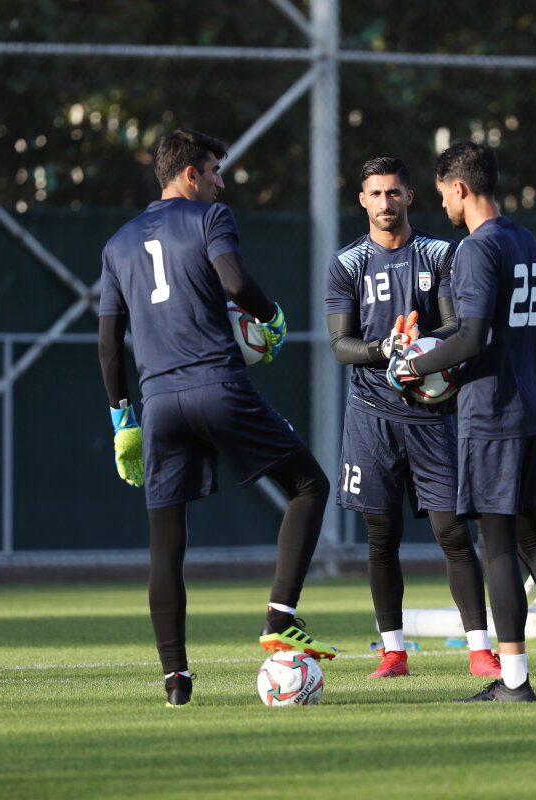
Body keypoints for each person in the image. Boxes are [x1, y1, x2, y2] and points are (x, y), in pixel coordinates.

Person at [97, 128, 337, 708]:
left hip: (158, 404)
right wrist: (271, 316)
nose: (220, 184)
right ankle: (280, 617)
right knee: (310, 484)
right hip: (218, 386)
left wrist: (121, 418)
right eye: (214, 171)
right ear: (190, 175)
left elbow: (108, 344)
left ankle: (176, 682)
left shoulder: (117, 244)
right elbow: (234, 282)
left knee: (166, 546)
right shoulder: (210, 217)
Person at [389, 141, 536, 702]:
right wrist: (432, 348)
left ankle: (513, 680)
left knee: (496, 546)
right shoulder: (526, 239)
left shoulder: (475, 248)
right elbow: (489, 331)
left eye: (443, 195)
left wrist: (412, 365)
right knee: (528, 534)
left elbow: (472, 338)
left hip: (493, 412)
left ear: (460, 188)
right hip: (529, 400)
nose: (443, 205)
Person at [325, 155, 502, 680]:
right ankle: (394, 653)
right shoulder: (346, 263)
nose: (386, 202)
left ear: (409, 197)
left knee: (453, 533)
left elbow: (455, 325)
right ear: (363, 200)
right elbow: (340, 345)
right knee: (381, 537)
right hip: (370, 418)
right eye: (376, 193)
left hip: (429, 416)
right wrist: (385, 348)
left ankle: (480, 650)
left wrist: (418, 348)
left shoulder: (441, 253)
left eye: (394, 192)